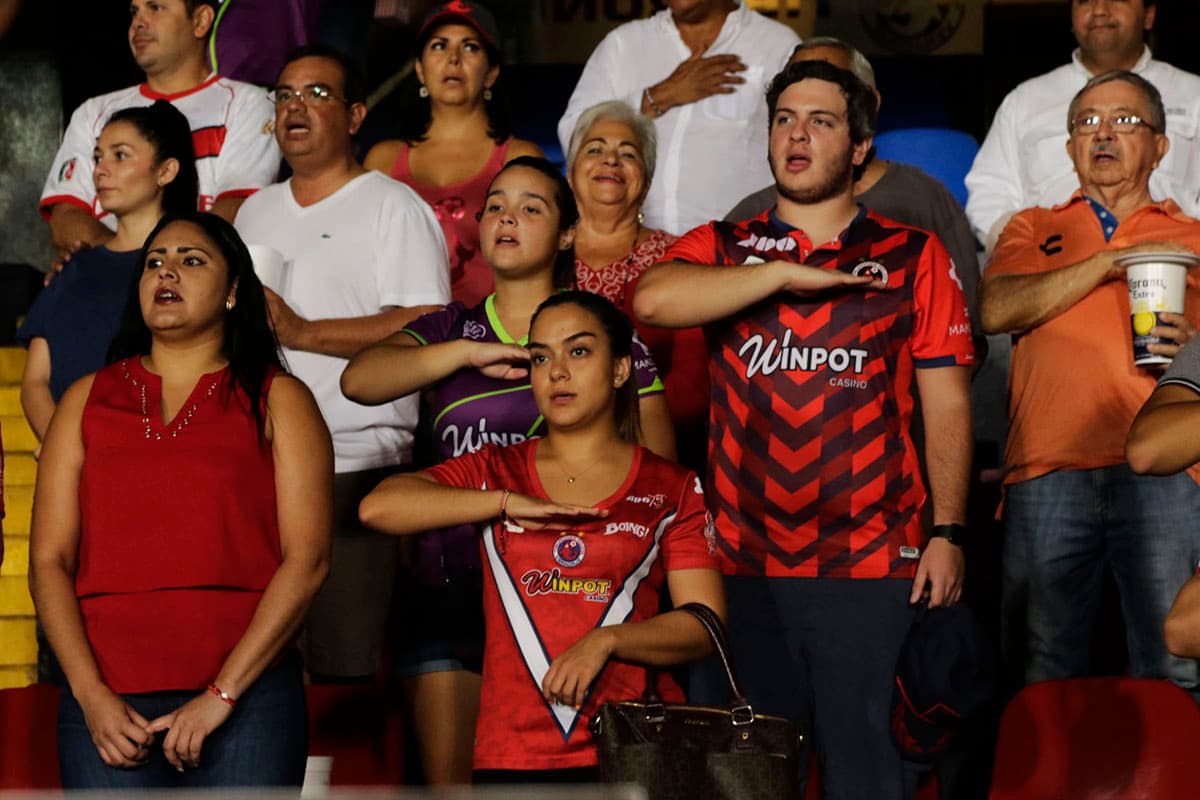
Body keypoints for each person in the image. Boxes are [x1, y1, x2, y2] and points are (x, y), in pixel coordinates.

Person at [634, 60, 974, 799]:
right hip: (740, 567)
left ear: (859, 146)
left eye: (821, 121)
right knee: (744, 785)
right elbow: (653, 300)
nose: (797, 135)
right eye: (785, 119)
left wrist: (948, 531)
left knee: (869, 783)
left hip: (873, 564)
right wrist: (782, 274)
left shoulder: (914, 254)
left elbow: (947, 403)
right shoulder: (723, 244)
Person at [341, 155, 675, 784]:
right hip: (451, 590)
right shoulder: (450, 328)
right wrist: (465, 354)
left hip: (571, 595)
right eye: (494, 205)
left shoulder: (604, 336)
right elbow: (359, 380)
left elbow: (658, 478)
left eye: (530, 207)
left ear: (568, 233)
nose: (506, 218)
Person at [358, 290, 724, 781]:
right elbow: (379, 507)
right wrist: (504, 502)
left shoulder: (671, 484)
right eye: (540, 357)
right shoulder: (496, 469)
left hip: (633, 748)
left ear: (620, 370)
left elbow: (704, 623)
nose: (557, 372)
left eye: (579, 351)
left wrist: (607, 641)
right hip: (512, 752)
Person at [28, 211, 332, 789]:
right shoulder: (84, 399)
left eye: (191, 261)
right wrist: (91, 696)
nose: (166, 272)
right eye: (154, 262)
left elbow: (309, 559)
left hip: (247, 699)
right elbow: (48, 561)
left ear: (234, 290)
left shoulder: (279, 398)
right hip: (106, 702)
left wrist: (222, 694)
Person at [979, 71, 1200, 692]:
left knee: (1174, 666)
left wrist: (1196, 346)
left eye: (1125, 120)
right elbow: (996, 310)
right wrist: (1108, 262)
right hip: (1047, 467)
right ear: (1070, 147)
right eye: (1087, 123)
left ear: (1160, 146)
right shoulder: (1030, 226)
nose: (1103, 133)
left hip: (1167, 473)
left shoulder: (1193, 238)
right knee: (1040, 671)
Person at [235, 44, 450, 681]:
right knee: (264, 670)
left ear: (356, 115)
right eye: (284, 96)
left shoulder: (392, 205)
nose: (295, 107)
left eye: (317, 94)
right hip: (259, 468)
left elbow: (427, 324)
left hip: (356, 466)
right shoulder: (255, 211)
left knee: (345, 670)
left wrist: (302, 332)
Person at [726, 37, 982, 340]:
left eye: (831, 83)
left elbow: (967, 332)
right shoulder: (749, 216)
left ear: (868, 105)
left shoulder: (924, 201)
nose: (812, 91)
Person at [39, 0, 278, 259]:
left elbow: (237, 209)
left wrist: (161, 267)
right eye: (134, 12)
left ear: (200, 21)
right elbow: (66, 217)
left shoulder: (248, 104)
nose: (138, 23)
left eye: (155, 8)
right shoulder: (93, 112)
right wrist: (128, 266)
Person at [20, 101, 198, 447]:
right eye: (98, 157)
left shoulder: (192, 270)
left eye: (120, 156)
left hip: (158, 458)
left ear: (166, 171)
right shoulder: (74, 267)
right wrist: (66, 450)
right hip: (73, 464)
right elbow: (35, 381)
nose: (101, 170)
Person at [965, 0, 1200, 252]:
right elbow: (990, 193)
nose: (1099, 10)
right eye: (1085, 1)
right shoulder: (1025, 100)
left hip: (1170, 259)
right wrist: (1026, 250)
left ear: (1149, 15)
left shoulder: (1193, 94)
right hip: (1051, 260)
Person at [557, 0, 798, 236]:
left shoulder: (777, 45)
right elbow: (574, 137)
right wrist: (657, 96)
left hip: (737, 248)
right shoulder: (624, 44)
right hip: (633, 248)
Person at [364, 0, 541, 308]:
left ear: (491, 73)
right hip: (400, 332)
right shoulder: (382, 160)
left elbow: (540, 267)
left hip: (492, 330)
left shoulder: (519, 158)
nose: (453, 58)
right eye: (439, 46)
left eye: (470, 47)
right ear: (420, 69)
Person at [565, 100, 709, 469]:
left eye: (628, 153)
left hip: (650, 455)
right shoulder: (541, 253)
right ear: (570, 172)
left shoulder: (680, 258)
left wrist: (616, 438)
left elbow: (693, 385)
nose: (611, 160)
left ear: (646, 180)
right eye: (595, 149)